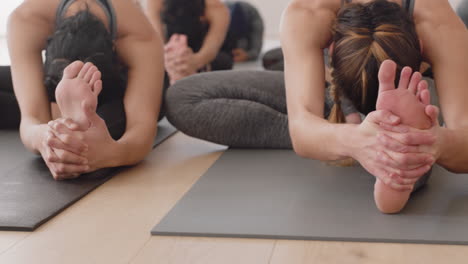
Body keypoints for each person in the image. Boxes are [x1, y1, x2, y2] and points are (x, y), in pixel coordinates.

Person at [165, 0, 468, 213]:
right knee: (184, 98)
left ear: (419, 45)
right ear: (333, 47)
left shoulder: (434, 20)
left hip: (412, 92)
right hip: (331, 91)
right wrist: (352, 138)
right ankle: (353, 133)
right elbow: (299, 129)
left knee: (411, 140)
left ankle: (390, 138)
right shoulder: (308, 12)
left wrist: (433, 141)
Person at [4, 0, 165, 180]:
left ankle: (77, 115)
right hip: (56, 81)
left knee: (129, 113)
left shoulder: (141, 36)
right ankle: (68, 113)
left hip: (121, 87)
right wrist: (45, 139)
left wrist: (111, 153)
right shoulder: (25, 20)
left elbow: (141, 128)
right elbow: (31, 119)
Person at [144, 0, 231, 84]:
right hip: (171, 55)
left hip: (206, 57)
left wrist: (193, 63)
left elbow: (211, 49)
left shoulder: (216, 7)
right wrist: (170, 61)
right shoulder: (155, 2)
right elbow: (157, 42)